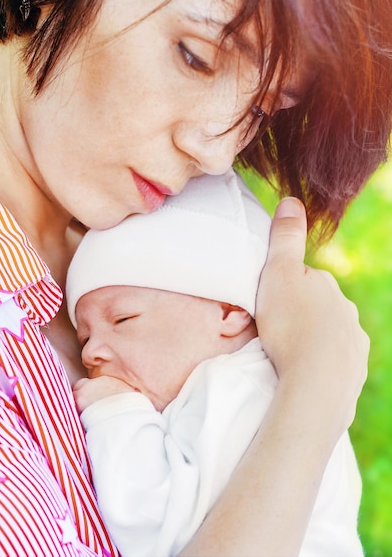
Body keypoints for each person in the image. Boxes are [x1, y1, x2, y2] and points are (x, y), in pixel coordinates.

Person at [0, 0, 390, 555]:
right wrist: (314, 392)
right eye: (195, 56)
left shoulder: (198, 256)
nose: (218, 150)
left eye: (259, 110)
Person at [67, 170, 364, 557]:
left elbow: (163, 530)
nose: (91, 354)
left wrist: (117, 415)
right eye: (84, 338)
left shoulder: (243, 391)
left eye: (123, 319)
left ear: (229, 310)